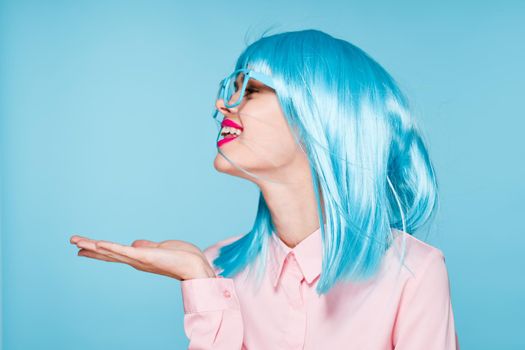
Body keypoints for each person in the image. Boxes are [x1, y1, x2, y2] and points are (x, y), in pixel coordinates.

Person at [70, 28, 459, 349]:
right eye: (229, 88)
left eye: (250, 90)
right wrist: (201, 283)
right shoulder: (218, 268)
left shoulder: (414, 272)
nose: (223, 105)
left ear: (319, 118)